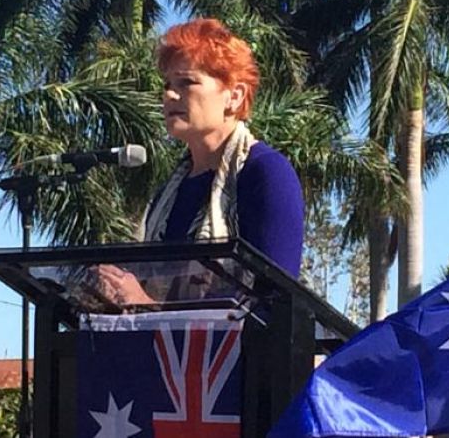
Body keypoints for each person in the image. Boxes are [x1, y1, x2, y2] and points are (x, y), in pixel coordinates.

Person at [94, 18, 304, 305]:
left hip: (232, 349)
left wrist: (145, 307)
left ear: (234, 95)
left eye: (187, 82)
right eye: (167, 84)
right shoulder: (171, 190)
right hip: (160, 349)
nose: (168, 94)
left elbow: (275, 307)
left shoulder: (265, 173)